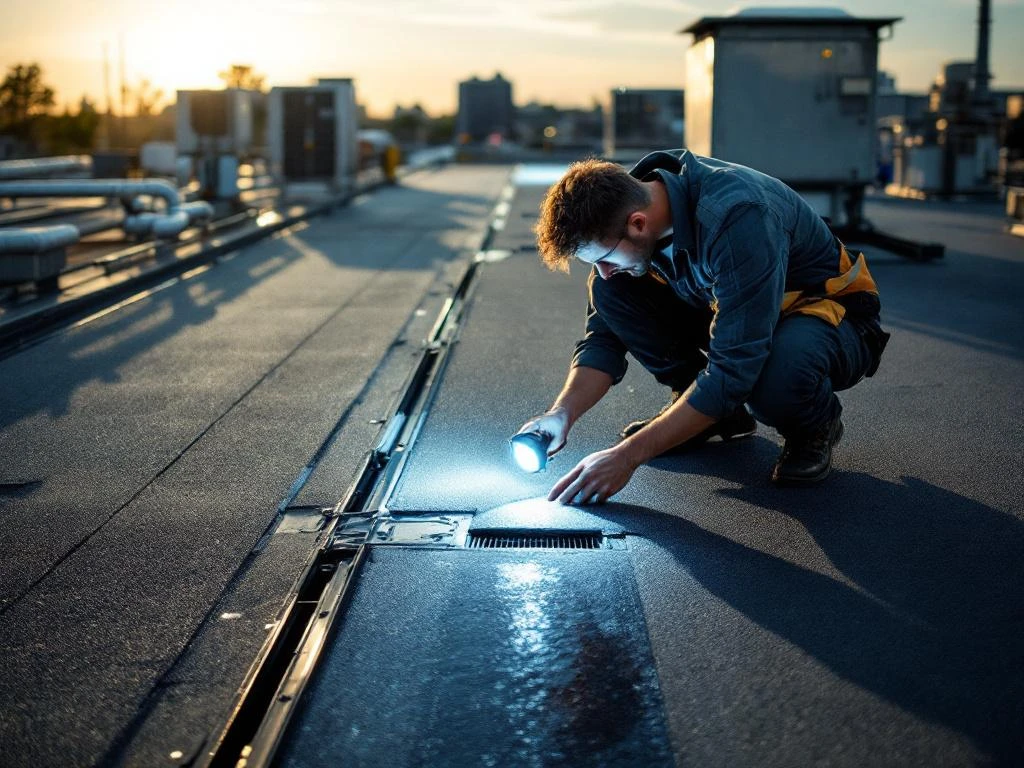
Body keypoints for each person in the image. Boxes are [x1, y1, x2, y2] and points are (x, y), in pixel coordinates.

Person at [516, 149, 889, 505]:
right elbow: (602, 339)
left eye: (604, 258)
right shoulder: (636, 200)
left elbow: (733, 369)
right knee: (611, 293)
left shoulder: (738, 216)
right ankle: (710, 412)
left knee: (773, 380)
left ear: (638, 224)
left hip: (830, 317)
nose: (604, 270)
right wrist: (561, 414)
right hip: (741, 311)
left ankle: (814, 425)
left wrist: (627, 457)